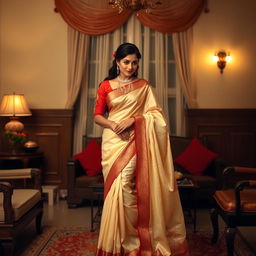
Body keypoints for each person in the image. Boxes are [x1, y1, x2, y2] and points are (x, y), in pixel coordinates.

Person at [94, 43, 189, 256]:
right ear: (117, 61)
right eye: (126, 62)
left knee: (127, 184)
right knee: (115, 190)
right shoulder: (106, 86)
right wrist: (113, 125)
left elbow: (157, 115)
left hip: (137, 138)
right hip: (112, 142)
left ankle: (134, 241)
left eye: (134, 62)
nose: (130, 66)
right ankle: (117, 241)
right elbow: (98, 115)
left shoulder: (144, 86)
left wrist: (134, 120)